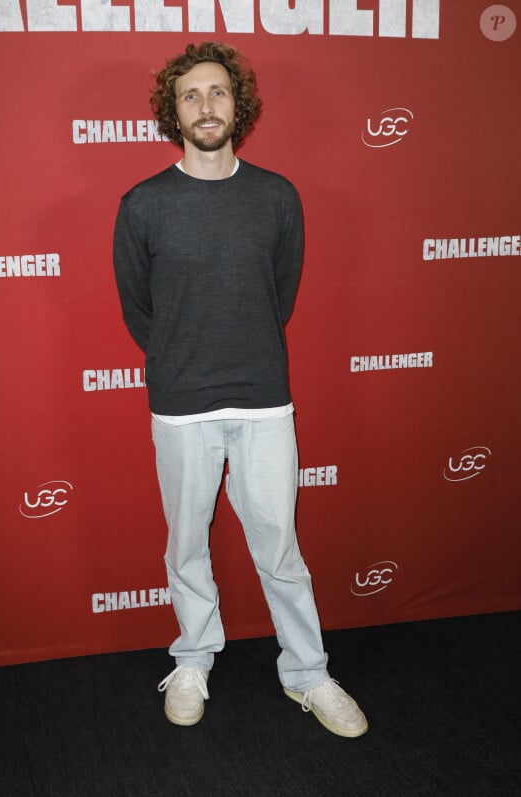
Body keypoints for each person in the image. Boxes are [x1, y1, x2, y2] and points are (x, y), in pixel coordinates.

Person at [113, 41, 368, 738]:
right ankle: (193, 657)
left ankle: (308, 672)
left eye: (218, 92)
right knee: (186, 543)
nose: (206, 106)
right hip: (181, 404)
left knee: (279, 547)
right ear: (174, 110)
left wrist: (241, 348)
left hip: (263, 400)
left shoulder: (276, 196)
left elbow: (276, 294)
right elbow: (139, 309)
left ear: (239, 104)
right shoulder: (142, 205)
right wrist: (179, 356)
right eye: (191, 94)